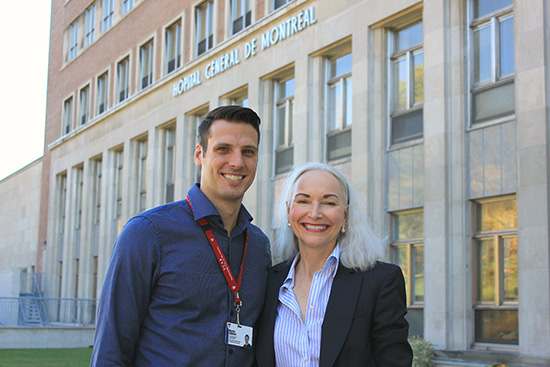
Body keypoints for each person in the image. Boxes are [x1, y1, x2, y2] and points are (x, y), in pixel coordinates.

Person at [91, 105, 271, 367]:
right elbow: (111, 348)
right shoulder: (147, 233)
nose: (237, 162)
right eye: (223, 149)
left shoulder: (259, 245)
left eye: (248, 152)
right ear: (200, 154)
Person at [255, 162, 413, 367]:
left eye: (329, 203)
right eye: (303, 201)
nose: (314, 213)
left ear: (345, 214)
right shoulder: (269, 281)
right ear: (288, 210)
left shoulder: (380, 281)